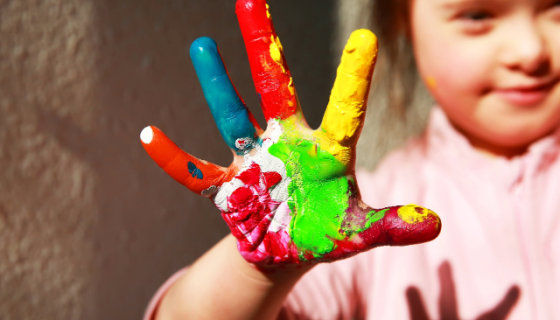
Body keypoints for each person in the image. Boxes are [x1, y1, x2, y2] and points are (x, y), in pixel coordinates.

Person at [141, 0, 560, 319]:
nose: (530, 51)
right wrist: (261, 264)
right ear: (403, 20)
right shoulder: (356, 215)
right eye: (477, 15)